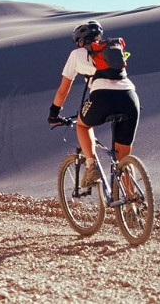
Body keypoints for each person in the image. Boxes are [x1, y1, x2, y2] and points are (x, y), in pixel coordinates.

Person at [48, 20, 140, 188]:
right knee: (123, 160)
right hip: (130, 97)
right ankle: (132, 206)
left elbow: (63, 90)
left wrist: (54, 113)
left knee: (82, 125)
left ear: (81, 41)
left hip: (102, 97)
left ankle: (92, 166)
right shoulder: (113, 51)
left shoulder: (76, 55)